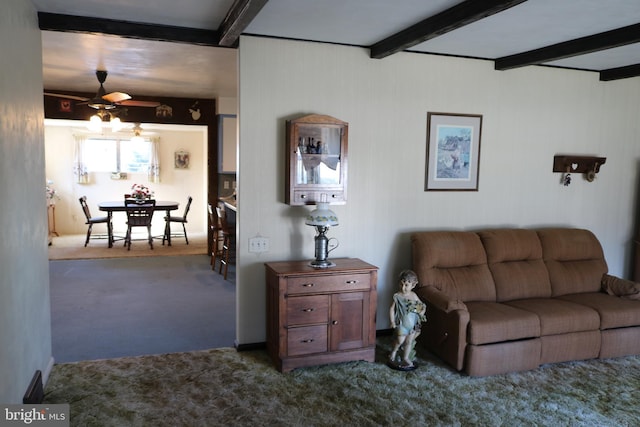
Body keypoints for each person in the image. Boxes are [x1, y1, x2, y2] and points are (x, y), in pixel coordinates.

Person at [389, 269, 427, 369]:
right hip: (402, 323)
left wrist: (421, 311)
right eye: (401, 284)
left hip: (413, 323)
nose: (403, 287)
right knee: (400, 340)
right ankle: (394, 351)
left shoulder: (413, 295)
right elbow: (392, 309)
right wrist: (392, 321)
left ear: (413, 286)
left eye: (406, 285)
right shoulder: (397, 296)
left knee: (409, 341)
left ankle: (405, 357)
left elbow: (421, 305)